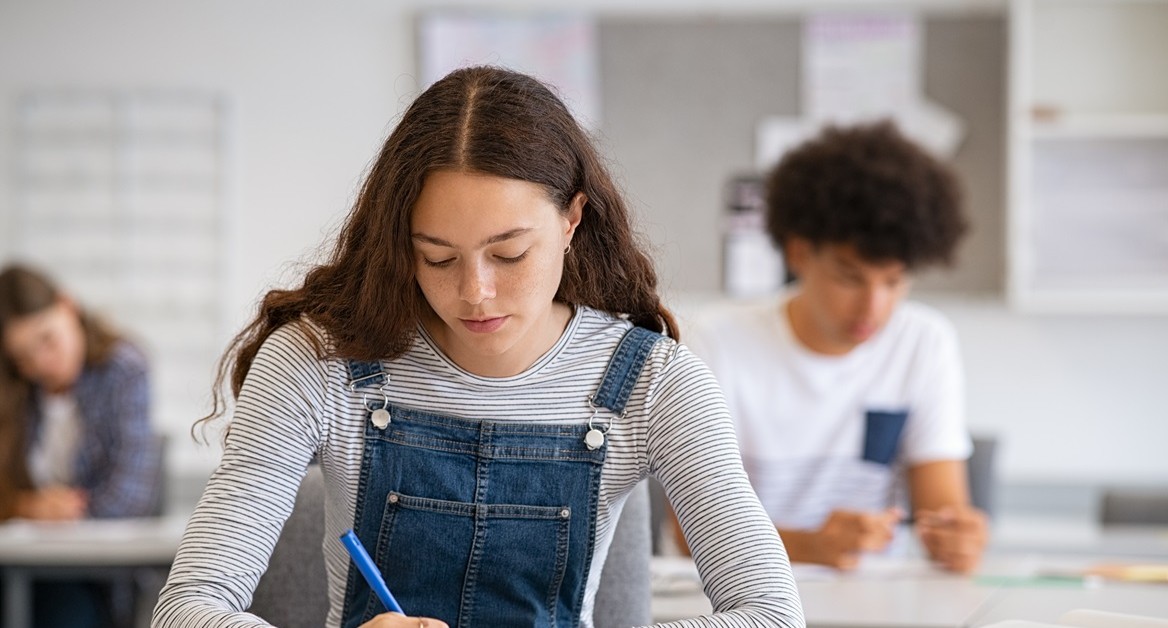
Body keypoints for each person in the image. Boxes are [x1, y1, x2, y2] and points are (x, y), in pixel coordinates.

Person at [152, 66, 802, 628]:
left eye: (509, 253)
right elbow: (187, 607)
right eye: (437, 258)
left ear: (572, 219)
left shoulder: (656, 384)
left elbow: (771, 612)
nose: (475, 293)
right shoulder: (318, 363)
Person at [686, 121, 988, 574]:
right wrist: (810, 545)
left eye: (893, 281)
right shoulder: (716, 342)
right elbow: (689, 532)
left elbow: (941, 511)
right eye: (850, 277)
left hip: (871, 605)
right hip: (741, 599)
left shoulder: (924, 342)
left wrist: (956, 538)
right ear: (799, 253)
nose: (874, 306)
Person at [0, 262, 162, 628]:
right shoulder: (14, 388)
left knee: (60, 612)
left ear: (67, 306)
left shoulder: (125, 370)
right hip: (19, 565)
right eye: (23, 357)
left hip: (90, 573)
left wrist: (65, 511)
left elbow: (130, 496)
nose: (41, 364)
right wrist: (28, 507)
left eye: (47, 339)